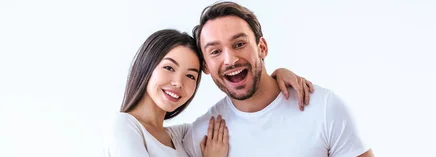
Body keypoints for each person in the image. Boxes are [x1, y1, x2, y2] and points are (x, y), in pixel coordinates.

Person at [183, 2, 374, 157]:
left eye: (239, 44)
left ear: (262, 47)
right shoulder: (201, 137)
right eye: (215, 51)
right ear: (206, 66)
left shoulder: (324, 108)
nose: (230, 60)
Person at [104, 29, 314, 157]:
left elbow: (238, 114)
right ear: (146, 67)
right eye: (169, 68)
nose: (178, 83)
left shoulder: (179, 136)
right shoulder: (125, 126)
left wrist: (275, 77)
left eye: (190, 76)